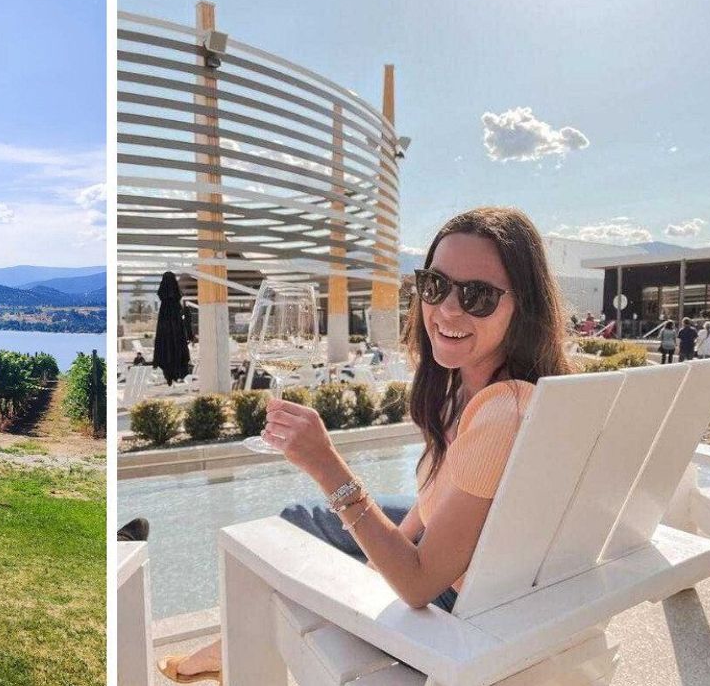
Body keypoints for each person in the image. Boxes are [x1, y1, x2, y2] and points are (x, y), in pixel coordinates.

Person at [157, 207, 571, 684]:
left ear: (524, 306)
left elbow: (418, 584)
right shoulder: (469, 385)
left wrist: (325, 464)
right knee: (302, 520)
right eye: (435, 286)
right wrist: (378, 549)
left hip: (455, 612)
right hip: (468, 562)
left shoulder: (503, 411)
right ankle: (228, 647)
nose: (448, 310)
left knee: (294, 535)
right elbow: (435, 504)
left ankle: (232, 650)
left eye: (478, 296)